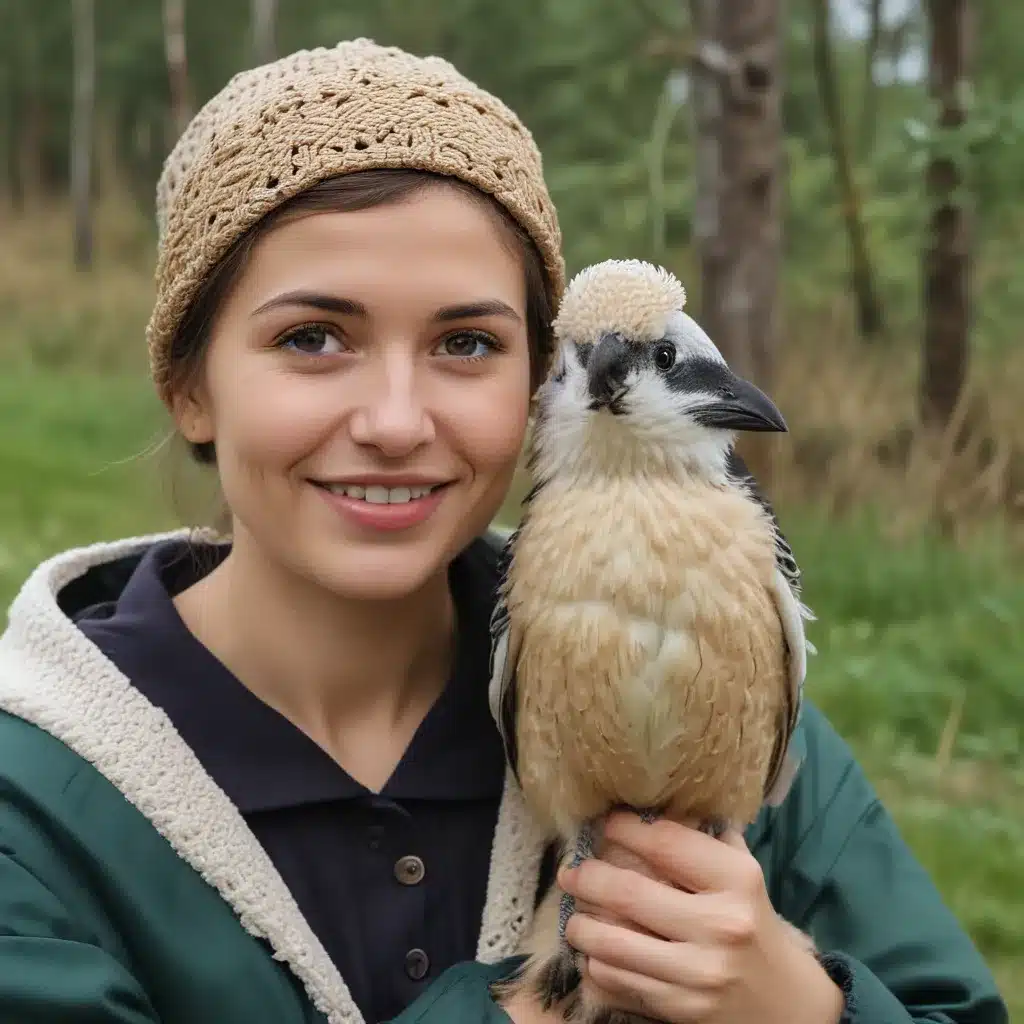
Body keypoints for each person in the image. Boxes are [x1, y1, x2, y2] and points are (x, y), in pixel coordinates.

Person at [0, 37, 1007, 1024]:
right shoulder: (37, 804)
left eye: (465, 342)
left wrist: (800, 1004)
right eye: (313, 338)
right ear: (189, 386)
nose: (395, 422)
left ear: (538, 386)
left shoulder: (721, 687)